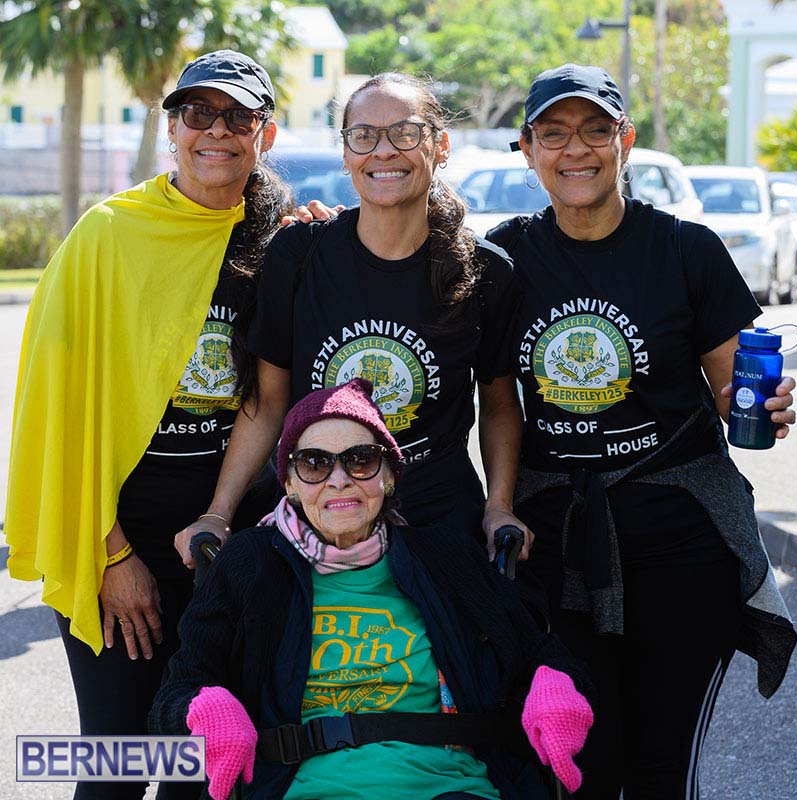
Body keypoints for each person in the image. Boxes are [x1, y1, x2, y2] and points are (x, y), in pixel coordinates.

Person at [4, 50, 335, 800]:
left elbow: (279, 391)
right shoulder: (108, 235)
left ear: (266, 135)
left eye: (238, 117)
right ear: (172, 129)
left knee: (209, 768)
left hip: (237, 546)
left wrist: (321, 232)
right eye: (197, 113)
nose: (215, 130)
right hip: (122, 539)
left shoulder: (277, 243)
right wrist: (110, 555)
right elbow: (58, 411)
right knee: (118, 762)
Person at [485, 63, 797, 800]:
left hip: (681, 539)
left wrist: (761, 405)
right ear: (527, 149)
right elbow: (497, 402)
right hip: (553, 543)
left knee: (663, 768)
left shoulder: (686, 250)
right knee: (573, 766)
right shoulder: (505, 256)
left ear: (624, 141)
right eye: (554, 134)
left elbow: (732, 389)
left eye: (596, 130)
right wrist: (498, 504)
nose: (576, 149)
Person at [150, 378, 595, 800]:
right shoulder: (252, 564)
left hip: (450, 787)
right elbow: (180, 688)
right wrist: (203, 708)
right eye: (314, 463)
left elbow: (542, 654)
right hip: (307, 790)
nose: (338, 479)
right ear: (289, 483)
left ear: (389, 476)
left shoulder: (444, 556)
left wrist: (555, 684)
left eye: (360, 460)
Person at [174, 72, 528, 566]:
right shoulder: (297, 255)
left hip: (439, 525)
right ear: (346, 153)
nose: (383, 151)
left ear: (441, 146)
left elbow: (499, 406)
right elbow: (267, 404)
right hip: (318, 527)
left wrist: (499, 507)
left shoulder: (486, 270)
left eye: (405, 133)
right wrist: (218, 513)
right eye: (364, 136)